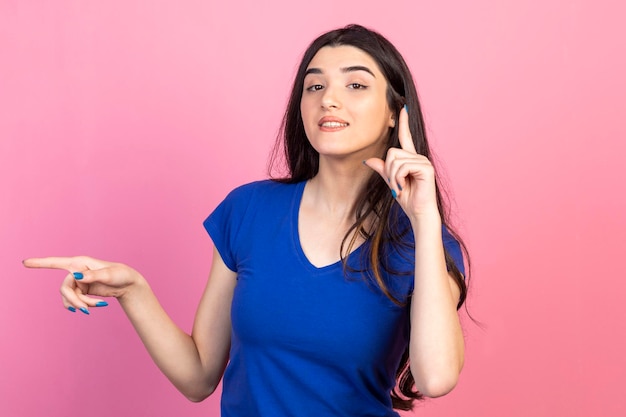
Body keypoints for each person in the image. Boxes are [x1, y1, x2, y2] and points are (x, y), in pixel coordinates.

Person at [23, 24, 469, 417]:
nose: (329, 99)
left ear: (395, 112)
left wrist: (424, 218)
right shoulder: (249, 210)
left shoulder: (423, 242)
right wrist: (132, 290)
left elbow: (435, 378)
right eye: (314, 87)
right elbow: (198, 376)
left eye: (355, 85)